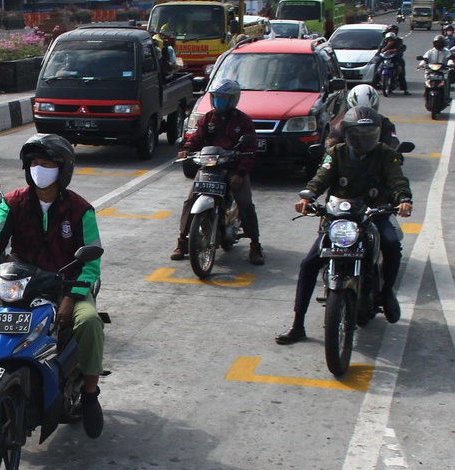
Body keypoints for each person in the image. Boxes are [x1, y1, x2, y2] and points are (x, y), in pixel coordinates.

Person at [0, 133, 105, 453]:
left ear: (63, 169)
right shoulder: (11, 202)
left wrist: (72, 296)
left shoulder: (81, 210)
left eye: (47, 164)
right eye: (34, 164)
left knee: (89, 323)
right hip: (20, 285)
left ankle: (90, 393)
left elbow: (92, 261)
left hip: (66, 286)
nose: (39, 169)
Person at [276, 106, 412, 344]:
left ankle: (387, 292)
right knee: (308, 264)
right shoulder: (337, 153)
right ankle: (298, 324)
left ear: (377, 134)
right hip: (340, 218)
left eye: (368, 134)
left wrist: (404, 199)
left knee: (391, 244)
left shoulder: (384, 153)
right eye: (357, 134)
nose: (362, 139)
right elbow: (321, 176)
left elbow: (397, 178)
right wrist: (307, 197)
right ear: (347, 134)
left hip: (373, 214)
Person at [173, 78, 264, 265]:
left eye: (222, 97)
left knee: (245, 203)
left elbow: (250, 150)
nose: (218, 101)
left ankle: (255, 245)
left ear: (233, 99)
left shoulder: (243, 121)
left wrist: (241, 172)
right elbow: (197, 138)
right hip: (209, 166)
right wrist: (187, 148)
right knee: (190, 200)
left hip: (233, 168)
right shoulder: (207, 118)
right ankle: (182, 241)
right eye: (216, 97)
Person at [325, 85, 400, 149]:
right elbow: (332, 142)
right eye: (359, 112)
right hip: (348, 162)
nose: (363, 115)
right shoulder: (342, 124)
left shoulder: (385, 123)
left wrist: (396, 152)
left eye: (368, 111)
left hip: (377, 161)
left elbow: (393, 142)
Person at [378, 28, 409, 95]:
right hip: (385, 58)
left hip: (395, 57)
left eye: (394, 31)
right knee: (377, 67)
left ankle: (405, 89)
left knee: (401, 70)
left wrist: (391, 50)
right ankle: (376, 84)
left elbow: (399, 49)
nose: (390, 40)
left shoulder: (399, 40)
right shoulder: (384, 41)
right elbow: (380, 49)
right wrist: (385, 48)